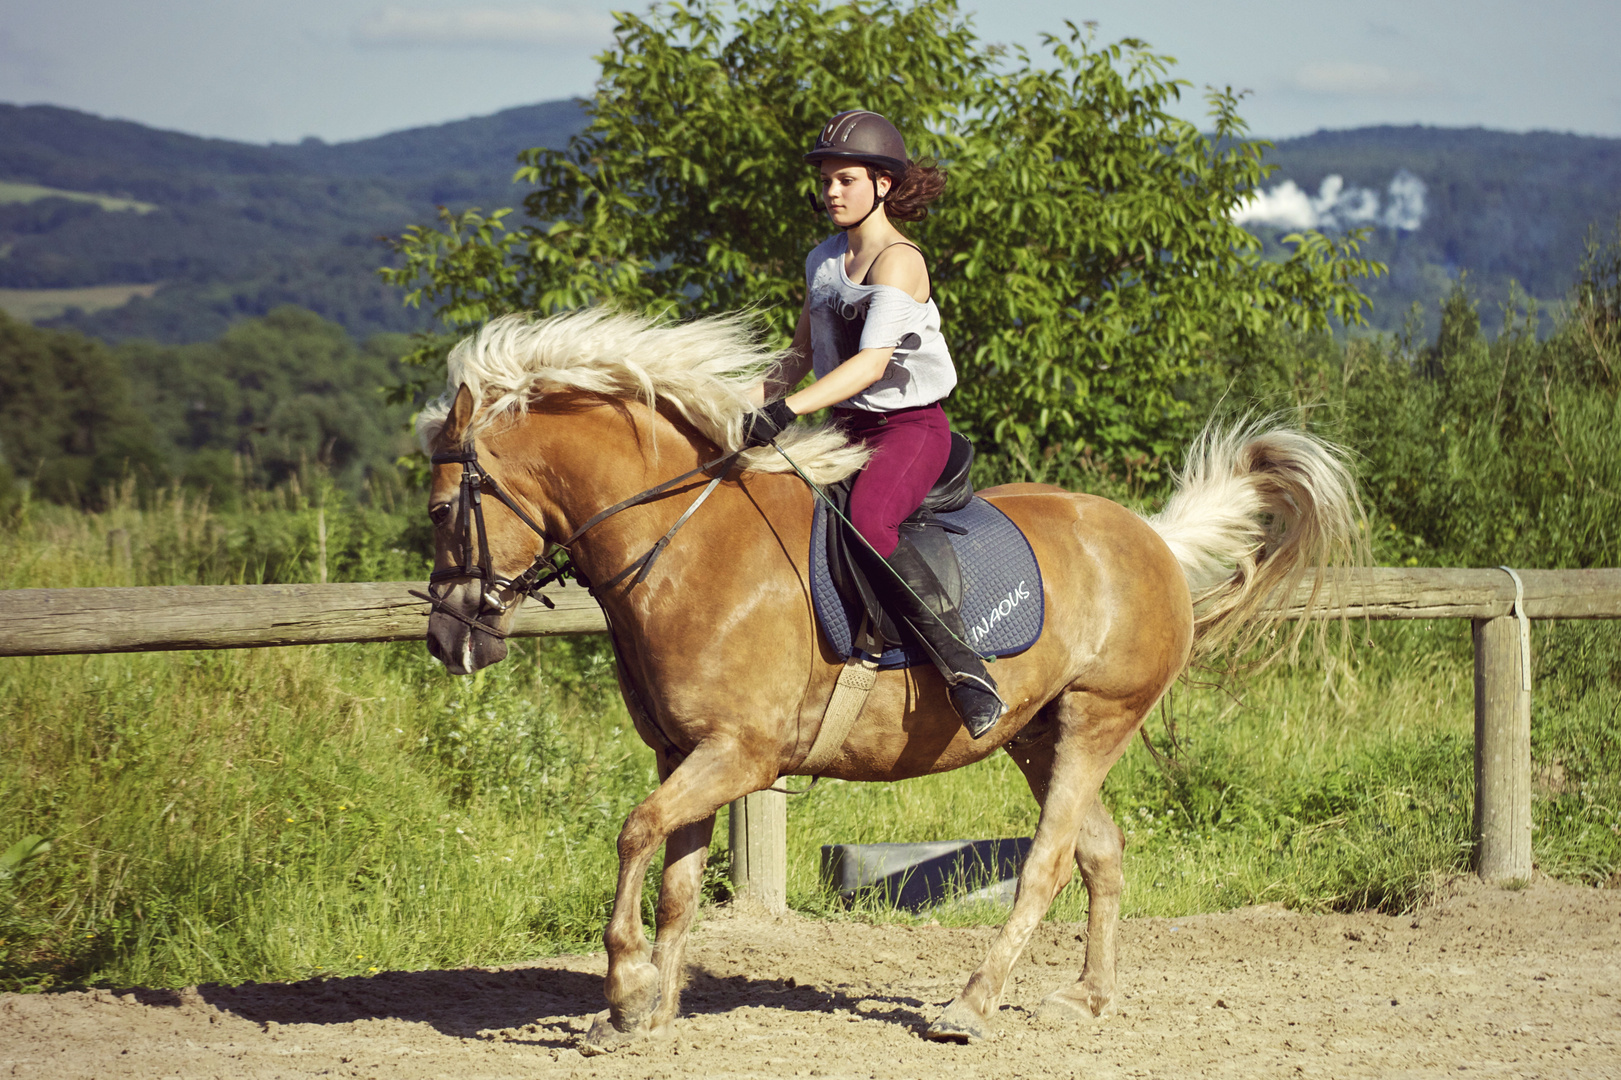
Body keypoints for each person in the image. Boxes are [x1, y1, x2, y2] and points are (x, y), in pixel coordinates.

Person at [744, 109, 1005, 738]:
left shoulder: (900, 261)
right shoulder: (822, 260)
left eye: (847, 179)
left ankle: (967, 670)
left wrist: (787, 411)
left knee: (868, 519)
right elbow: (800, 355)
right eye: (827, 180)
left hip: (908, 431)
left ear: (882, 185)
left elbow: (870, 364)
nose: (832, 191)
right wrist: (737, 405)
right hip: (843, 429)